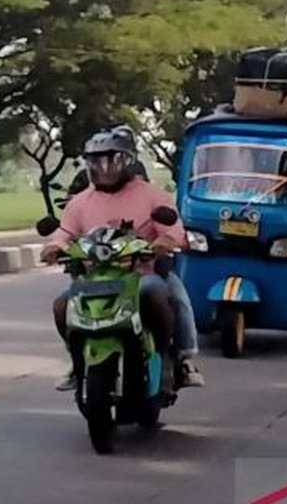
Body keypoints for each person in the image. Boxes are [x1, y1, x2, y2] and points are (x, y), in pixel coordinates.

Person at [43, 128, 206, 391]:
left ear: (128, 160)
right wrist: (53, 246)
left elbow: (174, 228)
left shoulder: (151, 194)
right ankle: (78, 361)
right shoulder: (80, 202)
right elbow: (65, 233)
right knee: (62, 305)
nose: (105, 168)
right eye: (97, 161)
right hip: (96, 278)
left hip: (143, 274)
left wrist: (166, 241)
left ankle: (180, 358)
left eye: (112, 160)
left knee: (166, 293)